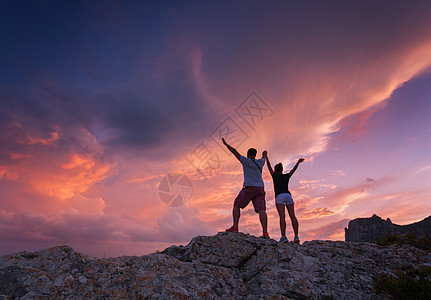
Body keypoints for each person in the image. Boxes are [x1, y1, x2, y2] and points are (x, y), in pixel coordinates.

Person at [222, 138, 270, 239]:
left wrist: (226, 144)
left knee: (236, 204)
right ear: (255, 155)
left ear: (248, 154)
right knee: (261, 210)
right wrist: (265, 153)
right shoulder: (260, 162)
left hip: (249, 187)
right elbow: (264, 156)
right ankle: (265, 233)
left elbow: (234, 151)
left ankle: (235, 226)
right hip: (260, 188)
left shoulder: (245, 161)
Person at [263, 151, 304, 243]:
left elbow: (268, 166)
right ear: (282, 169)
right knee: (293, 216)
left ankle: (283, 236)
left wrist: (266, 157)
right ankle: (296, 236)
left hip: (280, 196)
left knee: (282, 217)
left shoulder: (274, 175)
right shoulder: (286, 176)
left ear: (276, 170)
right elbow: (293, 170)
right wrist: (298, 162)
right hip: (288, 195)